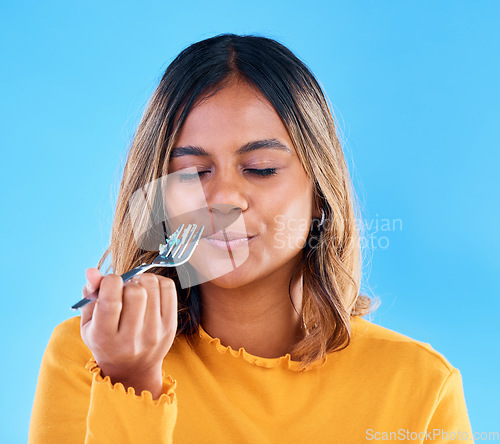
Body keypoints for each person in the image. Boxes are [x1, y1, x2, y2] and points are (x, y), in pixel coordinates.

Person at [29, 34, 473, 443]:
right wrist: (130, 381)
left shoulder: (421, 387)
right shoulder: (87, 358)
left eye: (260, 168)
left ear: (320, 193)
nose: (223, 198)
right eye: (195, 172)